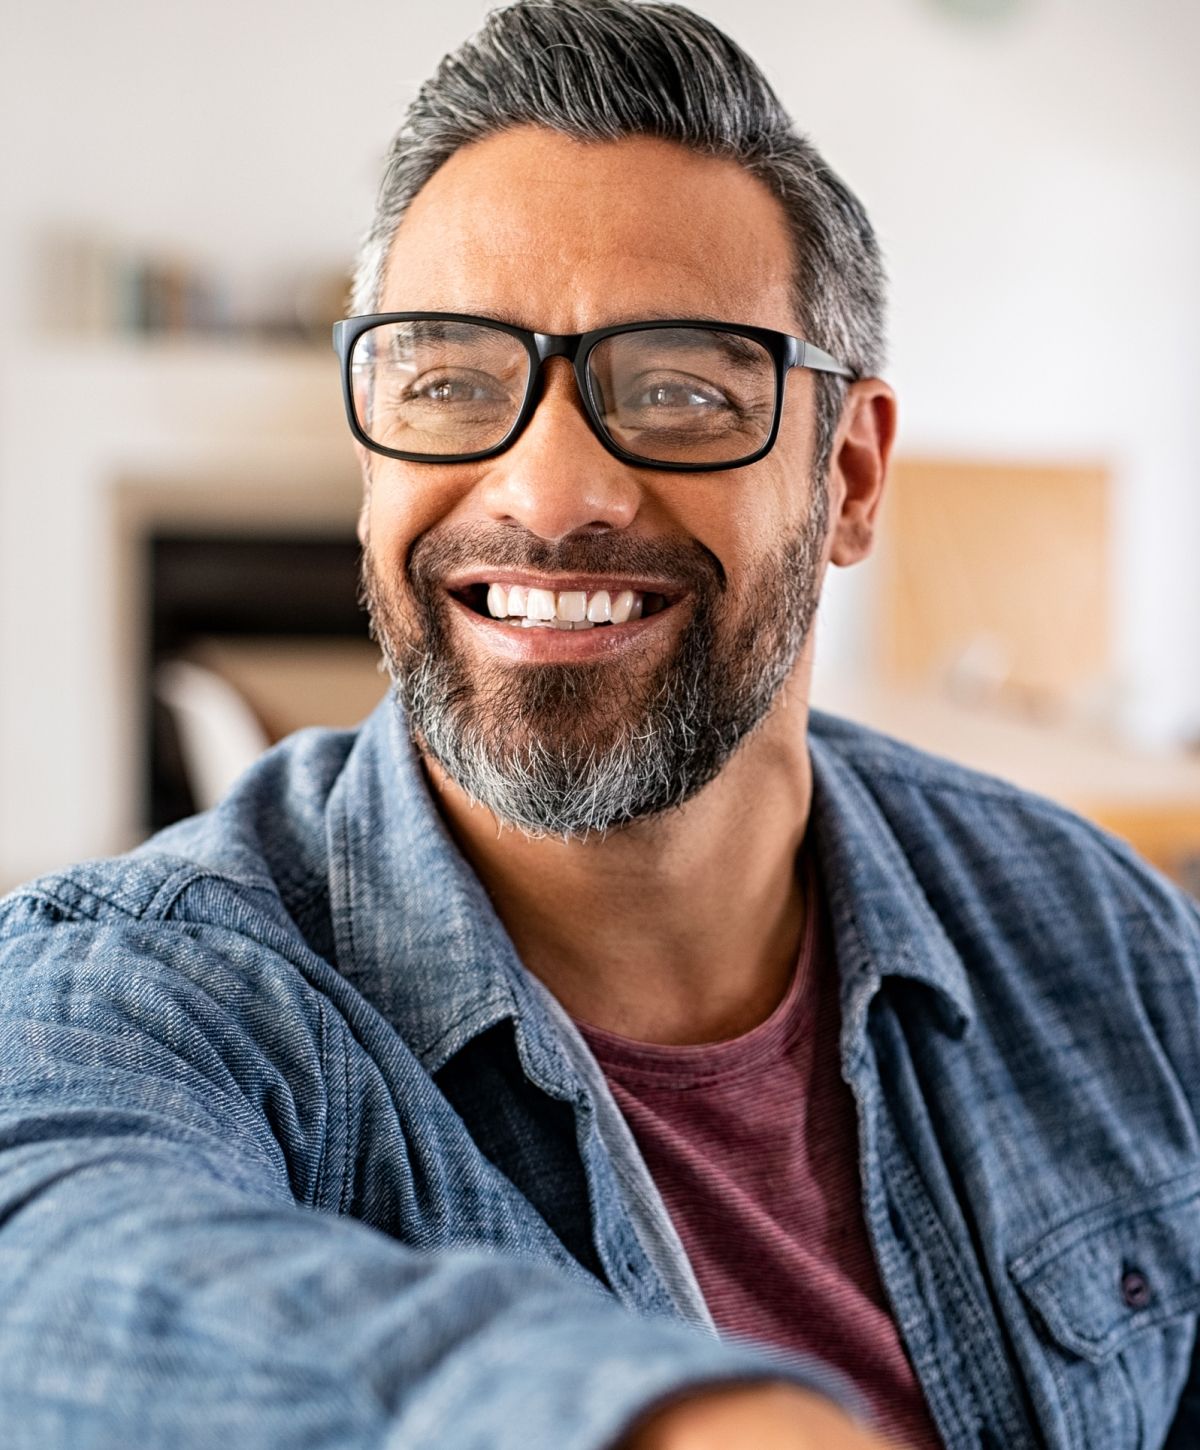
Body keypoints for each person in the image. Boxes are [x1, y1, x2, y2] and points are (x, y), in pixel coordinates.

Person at [3, 2, 1200, 1447]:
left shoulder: (1110, 947)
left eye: (683, 388)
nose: (552, 490)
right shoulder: (157, 986)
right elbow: (48, 1258)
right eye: (448, 382)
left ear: (855, 479)